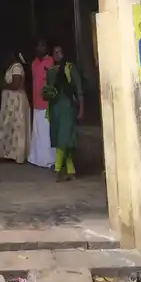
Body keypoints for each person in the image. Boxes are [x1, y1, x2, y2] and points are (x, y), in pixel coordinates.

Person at [42, 45, 84, 181]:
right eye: (55, 52)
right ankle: (71, 170)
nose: (58, 54)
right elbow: (47, 91)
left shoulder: (70, 68)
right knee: (60, 137)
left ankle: (58, 169)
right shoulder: (51, 71)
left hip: (68, 107)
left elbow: (79, 89)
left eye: (60, 52)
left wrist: (82, 108)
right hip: (55, 108)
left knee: (64, 137)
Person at [0, 52, 30, 164]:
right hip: (10, 101)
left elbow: (15, 85)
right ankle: (9, 153)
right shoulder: (11, 67)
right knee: (10, 126)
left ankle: (18, 154)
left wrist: (0, 85)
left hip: (16, 101)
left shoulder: (17, 67)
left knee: (17, 126)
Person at [28, 39, 56, 168]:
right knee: (38, 133)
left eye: (42, 45)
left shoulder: (51, 62)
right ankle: (37, 158)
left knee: (46, 133)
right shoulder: (34, 63)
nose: (40, 48)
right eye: (38, 46)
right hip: (36, 103)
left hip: (47, 103)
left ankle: (49, 159)